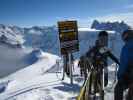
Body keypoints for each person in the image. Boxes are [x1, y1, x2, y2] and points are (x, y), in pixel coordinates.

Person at [114, 29, 133, 100]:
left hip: (130, 75)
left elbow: (124, 63)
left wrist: (119, 76)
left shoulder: (127, 47)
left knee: (118, 88)